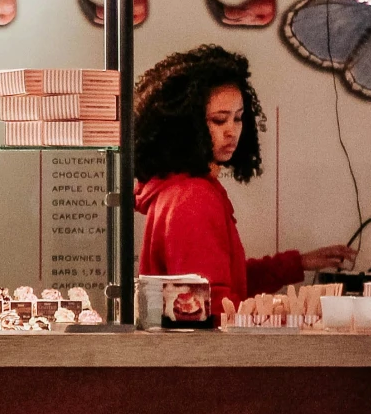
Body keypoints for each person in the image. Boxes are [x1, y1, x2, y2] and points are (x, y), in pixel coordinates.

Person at [133, 45, 353, 318]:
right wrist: (289, 312)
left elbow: (224, 278)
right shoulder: (193, 197)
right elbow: (212, 307)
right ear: (184, 126)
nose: (232, 131)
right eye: (218, 120)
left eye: (238, 118)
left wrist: (298, 263)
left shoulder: (179, 190)